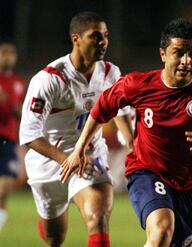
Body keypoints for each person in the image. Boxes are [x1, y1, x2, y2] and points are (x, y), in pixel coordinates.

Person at [61, 18, 192, 247]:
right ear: (163, 54)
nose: (186, 61)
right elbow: (101, 109)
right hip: (148, 172)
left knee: (168, 241)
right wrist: (78, 150)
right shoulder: (138, 85)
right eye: (178, 53)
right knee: (162, 228)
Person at [19, 12, 123, 247]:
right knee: (54, 238)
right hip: (48, 163)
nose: (103, 42)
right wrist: (65, 159)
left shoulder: (109, 73)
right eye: (95, 36)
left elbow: (125, 110)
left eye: (105, 36)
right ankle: (50, 215)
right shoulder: (49, 79)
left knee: (98, 219)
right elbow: (28, 134)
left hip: (89, 155)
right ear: (76, 39)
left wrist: (131, 140)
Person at [0, 39, 26, 233]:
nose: (8, 56)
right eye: (4, 52)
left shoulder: (19, 83)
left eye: (11, 53)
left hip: (8, 139)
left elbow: (22, 112)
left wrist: (16, 109)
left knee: (5, 188)